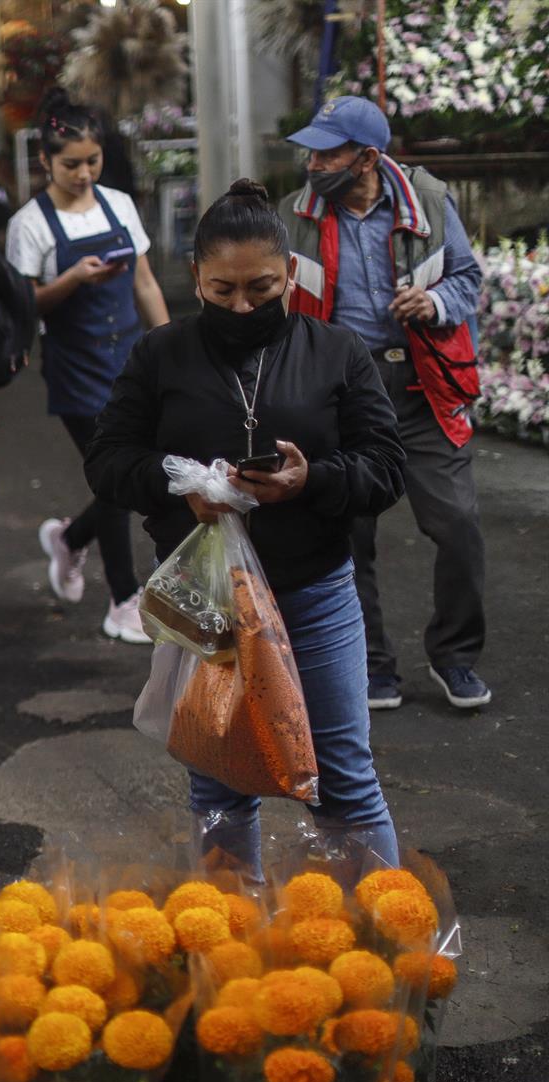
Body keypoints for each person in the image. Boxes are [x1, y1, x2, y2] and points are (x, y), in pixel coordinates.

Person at [85, 179, 407, 871]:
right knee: (220, 781)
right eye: (222, 290)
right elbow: (108, 461)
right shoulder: (160, 355)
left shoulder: (337, 352)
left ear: (290, 273)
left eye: (261, 288)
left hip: (315, 596)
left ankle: (386, 946)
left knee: (341, 778)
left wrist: (311, 479)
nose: (241, 305)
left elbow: (386, 467)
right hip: (207, 605)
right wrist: (179, 488)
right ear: (194, 277)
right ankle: (232, 950)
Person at [283, 96, 490, 711]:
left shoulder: (427, 199)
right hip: (342, 393)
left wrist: (435, 305)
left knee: (457, 526)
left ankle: (455, 656)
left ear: (368, 158)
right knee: (349, 535)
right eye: (311, 151)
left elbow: (468, 277)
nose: (314, 162)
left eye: (328, 152)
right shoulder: (294, 216)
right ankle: (371, 665)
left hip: (422, 386)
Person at [9, 89, 171, 645]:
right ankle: (124, 600)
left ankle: (71, 539)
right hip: (75, 365)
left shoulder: (119, 204)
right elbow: (24, 303)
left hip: (128, 357)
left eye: (92, 162)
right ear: (45, 161)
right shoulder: (29, 224)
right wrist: (73, 279)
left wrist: (168, 343)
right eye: (70, 164)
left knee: (120, 477)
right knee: (119, 476)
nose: (83, 173)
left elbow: (144, 281)